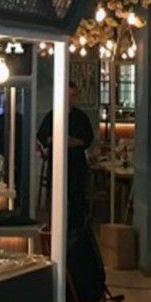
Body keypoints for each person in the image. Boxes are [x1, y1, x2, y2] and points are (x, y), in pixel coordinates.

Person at [37, 80, 95, 230]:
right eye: (68, 95)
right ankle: (56, 227)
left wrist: (75, 141)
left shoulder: (81, 117)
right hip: (57, 162)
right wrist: (55, 139)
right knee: (56, 196)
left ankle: (76, 230)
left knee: (77, 197)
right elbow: (42, 136)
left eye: (73, 95)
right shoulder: (52, 116)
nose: (71, 98)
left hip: (76, 162)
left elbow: (88, 138)